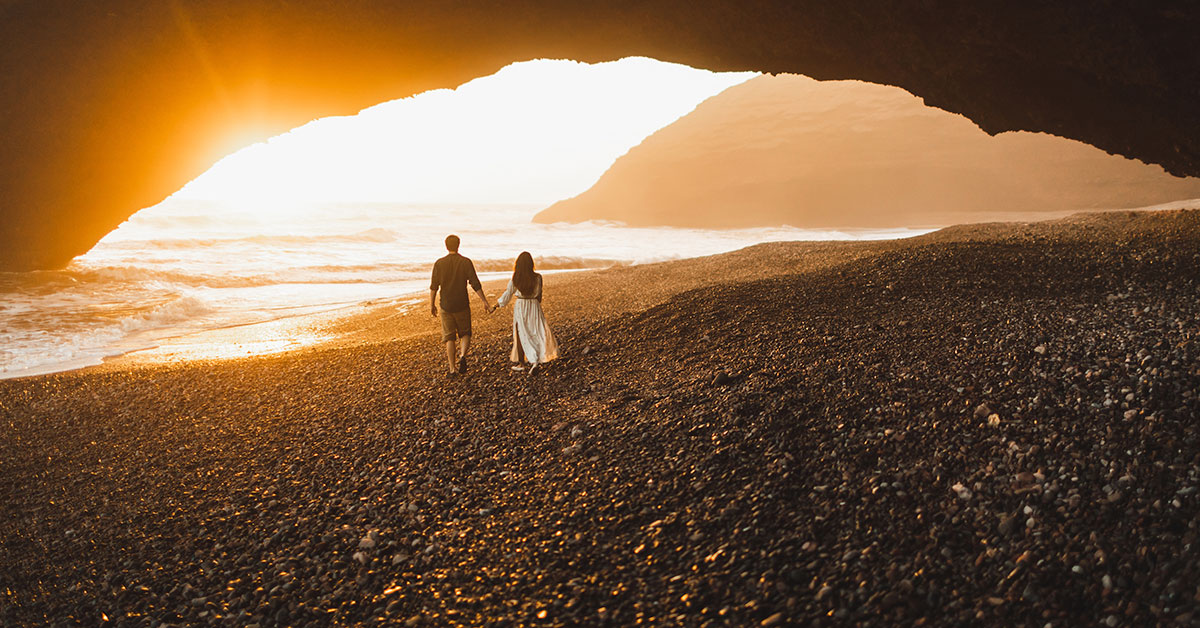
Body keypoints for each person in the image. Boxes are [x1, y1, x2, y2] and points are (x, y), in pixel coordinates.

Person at [430, 234, 493, 375]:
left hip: (446, 304)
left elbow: (434, 286)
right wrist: (484, 301)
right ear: (458, 245)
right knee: (465, 333)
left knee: (449, 337)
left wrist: (431, 304)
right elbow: (475, 283)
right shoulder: (465, 262)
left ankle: (452, 368)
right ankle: (463, 355)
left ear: (446, 246)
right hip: (462, 304)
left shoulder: (439, 263)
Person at [496, 251, 558, 374]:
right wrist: (535, 303)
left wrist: (496, 305)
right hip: (534, 305)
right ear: (531, 264)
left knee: (520, 334)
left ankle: (522, 363)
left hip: (521, 305)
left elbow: (507, 294)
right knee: (537, 331)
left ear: (518, 264)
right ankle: (536, 360)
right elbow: (539, 296)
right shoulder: (538, 277)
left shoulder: (516, 277)